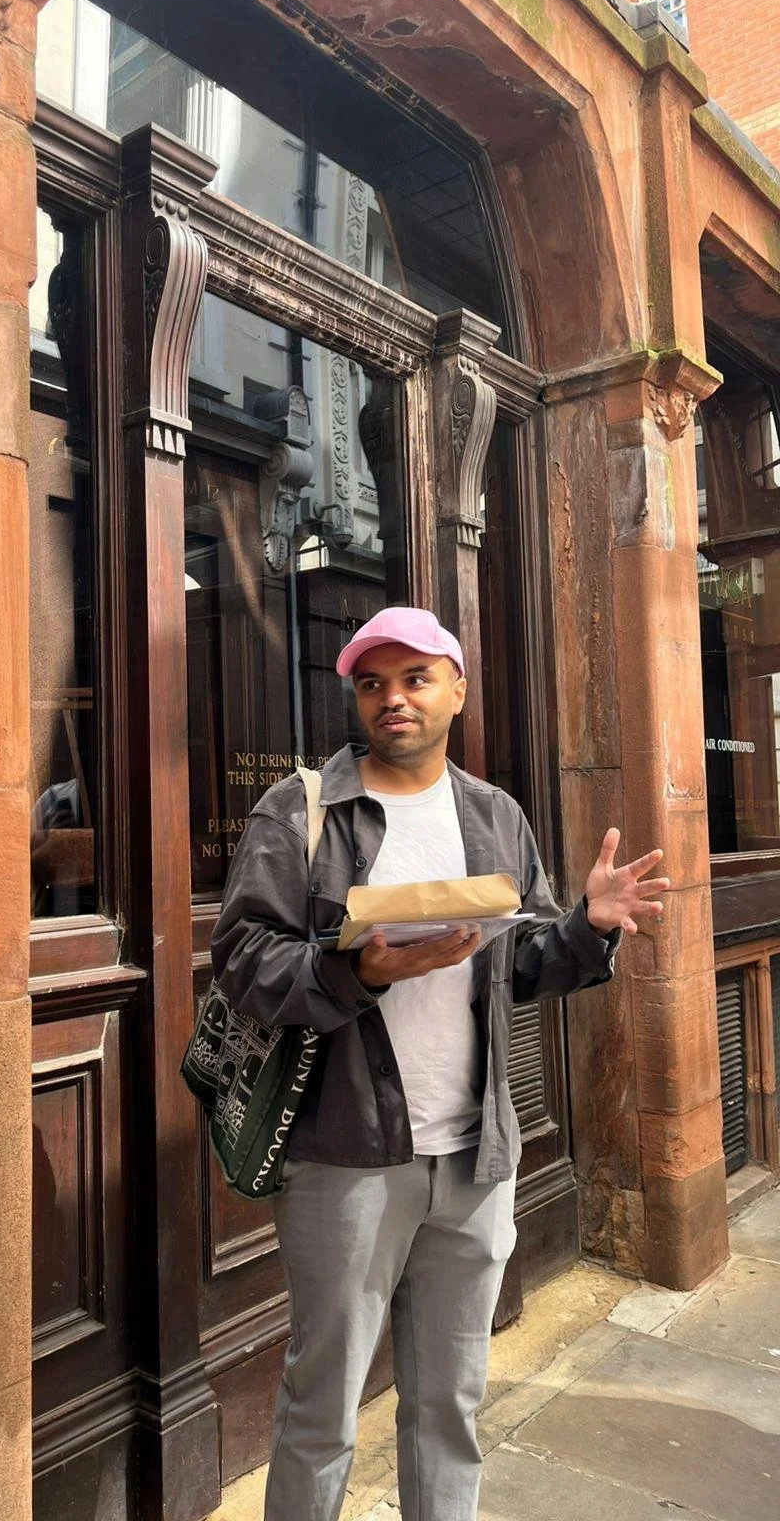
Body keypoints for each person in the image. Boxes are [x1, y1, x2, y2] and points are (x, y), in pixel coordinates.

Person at [209, 606, 667, 1521]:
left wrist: (587, 928)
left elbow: (523, 961)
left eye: (416, 679)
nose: (394, 700)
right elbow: (243, 959)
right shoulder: (301, 811)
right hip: (347, 1155)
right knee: (322, 1409)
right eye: (373, 684)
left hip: (475, 1160)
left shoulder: (494, 815)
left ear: (456, 689)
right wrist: (356, 969)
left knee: (448, 1404)